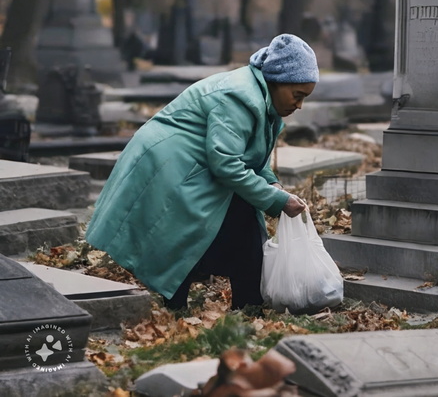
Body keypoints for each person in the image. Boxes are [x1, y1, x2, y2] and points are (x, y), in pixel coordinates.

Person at [85, 33, 318, 311]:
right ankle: (184, 305)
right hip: (171, 164)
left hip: (193, 164)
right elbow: (227, 164)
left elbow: (251, 154)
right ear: (278, 80)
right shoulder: (240, 98)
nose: (299, 105)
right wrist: (277, 201)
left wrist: (271, 183)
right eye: (297, 95)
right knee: (185, 229)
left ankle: (245, 304)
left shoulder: (264, 100)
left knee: (241, 220)